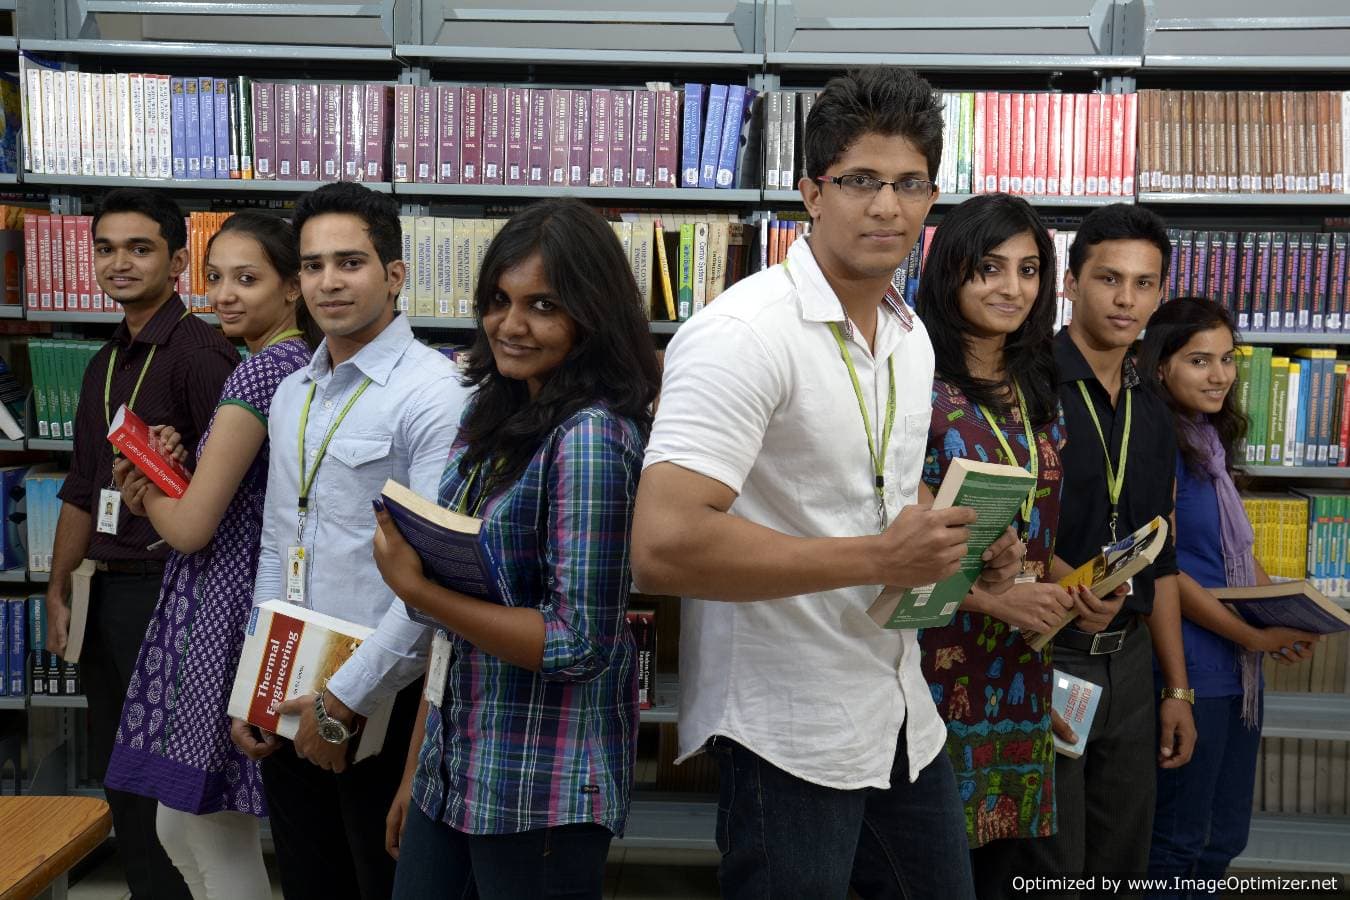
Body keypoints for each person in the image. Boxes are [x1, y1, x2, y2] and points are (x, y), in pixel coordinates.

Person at [631, 66, 1023, 900]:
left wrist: (958, 536)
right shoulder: (740, 334)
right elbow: (664, 545)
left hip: (897, 709)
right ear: (810, 192)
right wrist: (879, 553)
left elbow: (871, 493)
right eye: (860, 182)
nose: (887, 206)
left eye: (909, 183)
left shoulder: (909, 334)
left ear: (932, 197)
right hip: (787, 723)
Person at [374, 198, 660, 899]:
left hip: (541, 790)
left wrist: (420, 591)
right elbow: (456, 622)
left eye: (543, 306)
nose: (511, 325)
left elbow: (577, 644)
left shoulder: (592, 438)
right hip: (457, 768)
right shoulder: (491, 412)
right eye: (499, 301)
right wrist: (419, 765)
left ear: (591, 314)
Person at [231, 182, 469, 900]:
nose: (328, 282)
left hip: (384, 699)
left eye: (350, 262)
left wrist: (347, 697)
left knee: (384, 882)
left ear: (394, 275)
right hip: (294, 680)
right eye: (311, 266)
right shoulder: (293, 392)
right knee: (309, 882)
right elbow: (280, 542)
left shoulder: (436, 393)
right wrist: (260, 688)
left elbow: (433, 581)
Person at [102, 212, 317, 899]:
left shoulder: (260, 375)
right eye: (215, 276)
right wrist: (169, 466)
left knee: (211, 827)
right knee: (180, 826)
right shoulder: (283, 364)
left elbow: (194, 527)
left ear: (291, 288)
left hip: (222, 610)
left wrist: (142, 493)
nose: (224, 294)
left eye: (247, 279)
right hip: (223, 600)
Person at [45, 188, 239, 900]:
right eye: (105, 248)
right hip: (107, 588)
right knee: (122, 777)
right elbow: (80, 486)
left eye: (140, 247)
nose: (119, 262)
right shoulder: (104, 363)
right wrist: (59, 586)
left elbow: (236, 487)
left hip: (169, 590)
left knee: (166, 788)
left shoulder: (200, 353)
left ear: (179, 260)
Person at [1010, 203, 1196, 892]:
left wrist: (1177, 688)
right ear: (1071, 283)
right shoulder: (1028, 384)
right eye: (1109, 279)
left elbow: (1162, 557)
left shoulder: (1151, 404)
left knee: (1123, 861)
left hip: (1130, 663)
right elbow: (1004, 526)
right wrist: (1071, 587)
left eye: (1145, 284)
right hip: (1045, 653)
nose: (1127, 300)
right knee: (1047, 865)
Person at [913, 194, 1084, 897]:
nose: (1012, 288)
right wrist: (997, 601)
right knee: (928, 870)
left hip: (1021, 672)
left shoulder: (1036, 382)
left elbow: (1039, 529)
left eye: (1029, 269)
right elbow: (889, 542)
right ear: (950, 271)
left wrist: (1079, 590)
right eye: (989, 267)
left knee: (1009, 871)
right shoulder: (913, 379)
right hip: (933, 664)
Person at [1138, 297, 1319, 891]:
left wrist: (1289, 606)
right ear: (1160, 366)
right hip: (1192, 666)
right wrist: (1255, 634)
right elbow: (1163, 566)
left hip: (1238, 671)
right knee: (1179, 838)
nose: (1219, 375)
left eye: (1226, 359)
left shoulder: (1209, 443)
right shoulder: (1156, 441)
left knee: (1223, 838)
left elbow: (1230, 557)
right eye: (1199, 360)